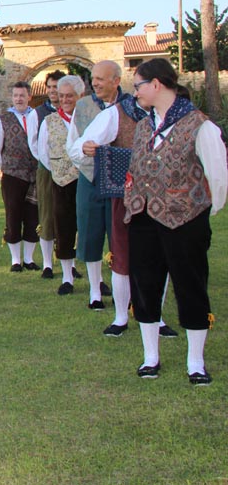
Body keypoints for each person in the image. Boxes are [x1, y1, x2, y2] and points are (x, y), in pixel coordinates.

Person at [124, 59, 226, 384]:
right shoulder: (143, 126)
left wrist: (202, 211)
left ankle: (195, 362)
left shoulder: (200, 125)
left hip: (186, 220)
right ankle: (150, 357)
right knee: (145, 285)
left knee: (190, 286)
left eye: (138, 85)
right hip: (143, 218)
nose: (135, 92)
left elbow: (218, 174)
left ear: (156, 84)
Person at [73, 75, 178, 338]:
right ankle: (121, 317)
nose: (137, 90)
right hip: (126, 196)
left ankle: (157, 316)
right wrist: (86, 147)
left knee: (160, 257)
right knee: (122, 257)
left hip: (162, 197)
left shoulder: (172, 115)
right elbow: (77, 146)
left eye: (141, 85)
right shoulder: (115, 114)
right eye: (137, 86)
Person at [66, 61, 122, 310]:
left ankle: (123, 291)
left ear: (116, 81)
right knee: (90, 234)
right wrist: (84, 158)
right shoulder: (83, 106)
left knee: (120, 236)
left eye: (100, 78)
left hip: (121, 182)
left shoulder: (129, 106)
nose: (95, 83)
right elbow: (73, 144)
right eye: (93, 78)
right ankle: (95, 290)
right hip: (90, 178)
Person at [0, 82, 40, 272]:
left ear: (29, 97)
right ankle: (15, 260)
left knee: (33, 216)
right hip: (12, 175)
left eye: (22, 95)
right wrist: (7, 167)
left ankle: (29, 259)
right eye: (16, 95)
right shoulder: (1, 119)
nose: (19, 99)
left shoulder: (36, 116)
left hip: (34, 174)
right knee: (13, 215)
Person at [41, 76, 85, 296]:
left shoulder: (90, 119)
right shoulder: (49, 121)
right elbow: (43, 152)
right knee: (64, 227)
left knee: (90, 228)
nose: (65, 100)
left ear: (80, 96)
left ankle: (97, 278)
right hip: (62, 181)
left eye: (70, 96)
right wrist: (60, 168)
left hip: (87, 180)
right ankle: (67, 276)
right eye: (62, 96)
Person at [34, 70, 65, 278]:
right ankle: (47, 264)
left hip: (70, 172)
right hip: (47, 169)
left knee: (68, 216)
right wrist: (51, 165)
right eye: (51, 87)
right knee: (46, 215)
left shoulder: (74, 112)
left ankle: (69, 262)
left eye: (57, 87)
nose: (53, 91)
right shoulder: (38, 113)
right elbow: (34, 144)